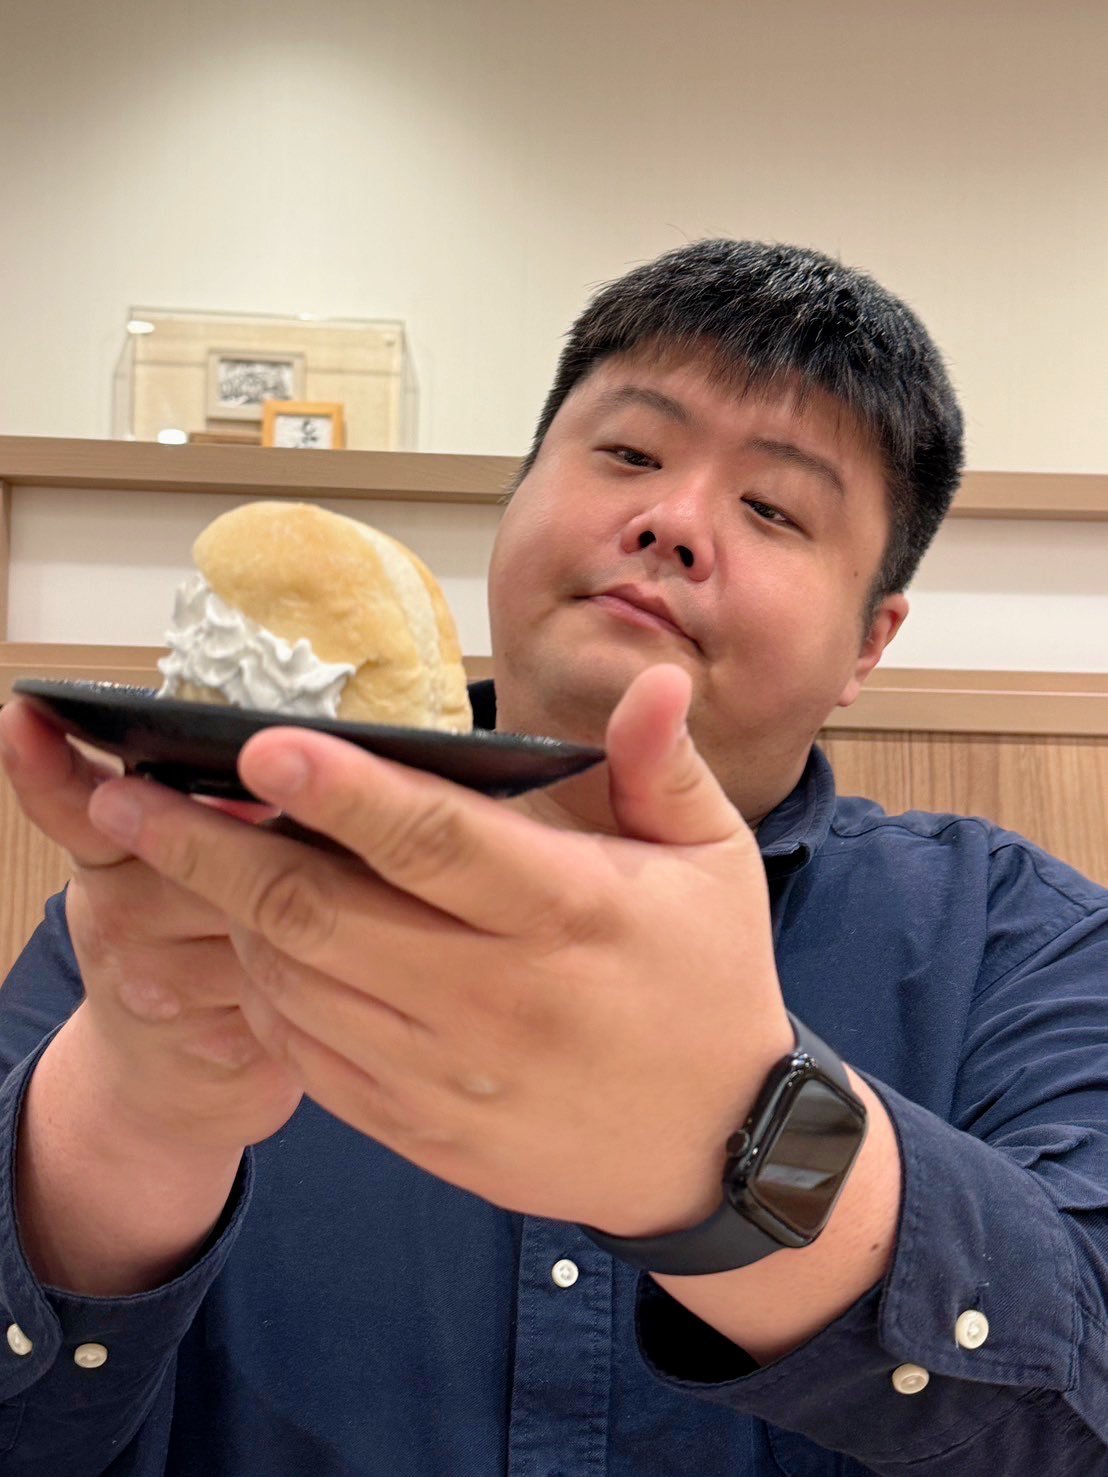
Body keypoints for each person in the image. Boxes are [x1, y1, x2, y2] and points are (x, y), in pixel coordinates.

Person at [0, 239, 1105, 1477]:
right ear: (516, 497)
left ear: (868, 645)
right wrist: (130, 1119)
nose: (673, 520)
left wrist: (744, 1145)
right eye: (629, 453)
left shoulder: (1020, 945)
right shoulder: (178, 894)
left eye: (774, 509)